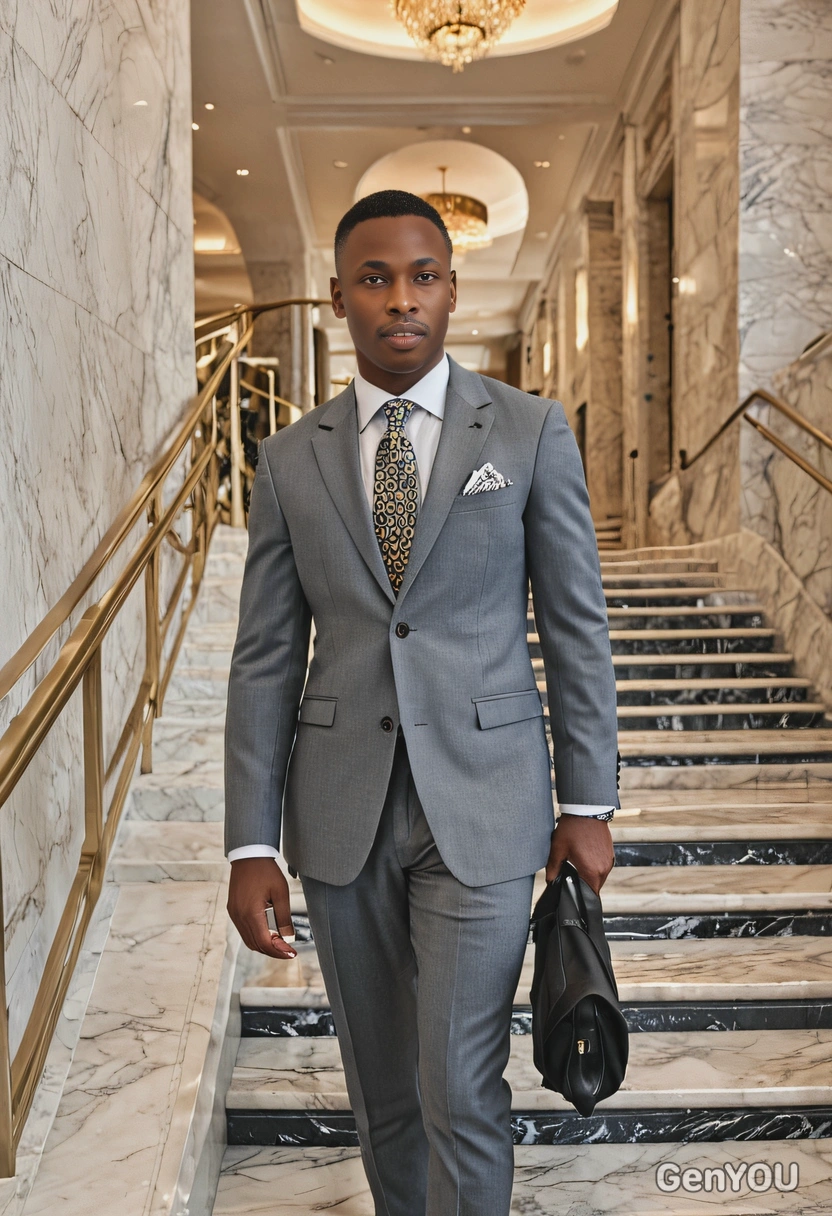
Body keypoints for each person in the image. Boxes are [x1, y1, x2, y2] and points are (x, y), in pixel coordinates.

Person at [224, 190, 618, 1216]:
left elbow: (575, 626)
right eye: (375, 278)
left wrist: (589, 802)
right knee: (384, 1093)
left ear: (451, 288)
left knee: (457, 1083)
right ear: (338, 298)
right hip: (340, 810)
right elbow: (266, 655)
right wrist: (246, 843)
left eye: (422, 276)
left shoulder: (529, 430)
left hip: (486, 806)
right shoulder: (290, 457)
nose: (401, 299)